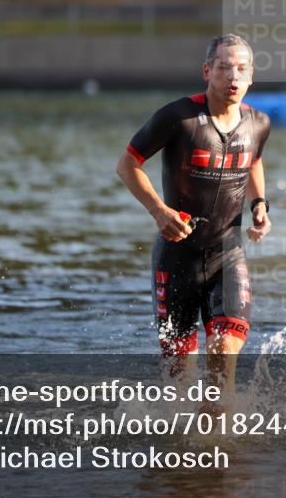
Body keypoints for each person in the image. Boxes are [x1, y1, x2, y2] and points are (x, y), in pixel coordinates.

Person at [116, 34, 272, 407]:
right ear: (207, 71)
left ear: (251, 77)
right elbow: (127, 164)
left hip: (227, 255)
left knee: (223, 352)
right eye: (223, 68)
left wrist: (260, 204)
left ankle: (220, 447)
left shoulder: (260, 123)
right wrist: (158, 211)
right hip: (176, 259)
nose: (233, 77)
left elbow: (252, 159)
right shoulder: (178, 118)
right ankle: (182, 454)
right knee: (178, 377)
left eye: (242, 69)